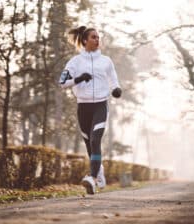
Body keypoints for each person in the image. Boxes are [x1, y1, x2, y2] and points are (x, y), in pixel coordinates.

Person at [59, 26, 122, 194]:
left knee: (95, 140)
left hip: (101, 105)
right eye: (94, 37)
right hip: (83, 107)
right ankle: (99, 172)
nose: (97, 39)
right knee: (89, 146)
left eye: (98, 37)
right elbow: (62, 82)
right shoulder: (75, 62)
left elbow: (114, 80)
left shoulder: (106, 61)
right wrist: (78, 79)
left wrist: (116, 89)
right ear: (85, 40)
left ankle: (92, 179)